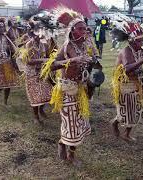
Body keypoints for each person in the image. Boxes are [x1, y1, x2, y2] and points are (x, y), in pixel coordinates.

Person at [41, 8, 94, 166]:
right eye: (80, 28)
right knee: (71, 123)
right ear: (72, 30)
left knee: (78, 122)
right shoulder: (66, 47)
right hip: (66, 90)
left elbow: (87, 63)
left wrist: (89, 61)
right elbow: (52, 66)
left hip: (80, 88)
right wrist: (71, 61)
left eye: (85, 28)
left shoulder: (84, 45)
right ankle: (71, 155)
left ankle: (62, 143)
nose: (84, 31)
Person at [110, 14, 143, 141]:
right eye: (139, 41)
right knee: (125, 111)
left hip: (136, 83)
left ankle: (126, 133)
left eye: (142, 40)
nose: (142, 43)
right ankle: (115, 123)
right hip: (124, 84)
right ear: (131, 40)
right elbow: (126, 68)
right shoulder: (126, 51)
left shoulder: (139, 50)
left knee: (136, 109)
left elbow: (140, 62)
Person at [21, 19, 56, 124]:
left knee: (46, 94)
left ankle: (41, 110)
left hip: (42, 72)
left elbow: (47, 57)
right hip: (31, 73)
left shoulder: (44, 45)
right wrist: (42, 60)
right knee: (35, 95)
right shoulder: (29, 45)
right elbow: (28, 61)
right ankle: (36, 116)